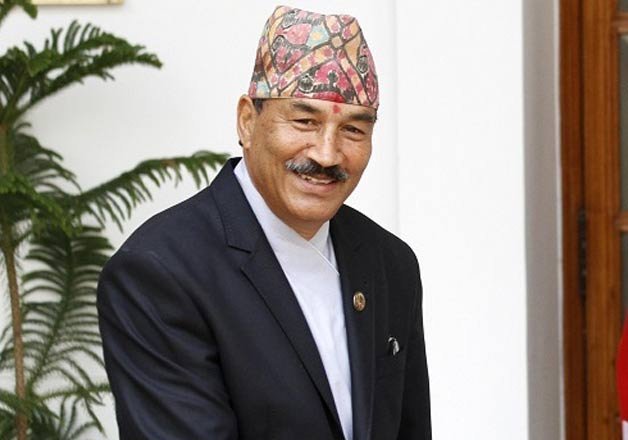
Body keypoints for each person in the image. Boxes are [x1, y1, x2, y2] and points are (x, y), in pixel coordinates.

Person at [97, 5, 431, 440]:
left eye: (353, 130)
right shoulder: (160, 273)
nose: (327, 154)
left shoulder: (390, 263)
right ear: (247, 121)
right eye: (304, 121)